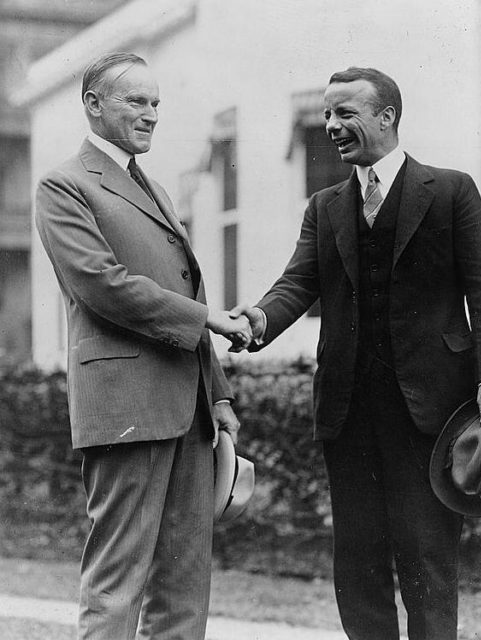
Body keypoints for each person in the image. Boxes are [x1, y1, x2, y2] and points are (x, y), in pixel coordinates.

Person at [231, 67, 481, 640]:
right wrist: (257, 320)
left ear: (387, 117)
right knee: (356, 562)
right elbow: (296, 285)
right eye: (327, 114)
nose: (331, 125)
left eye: (345, 113)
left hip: (431, 415)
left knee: (427, 558)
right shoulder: (325, 206)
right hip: (348, 411)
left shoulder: (451, 191)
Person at [35, 52, 251, 640]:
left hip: (191, 414)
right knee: (118, 583)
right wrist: (210, 319)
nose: (152, 113)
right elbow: (103, 285)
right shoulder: (65, 185)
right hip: (126, 410)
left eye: (156, 102)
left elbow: (186, 285)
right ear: (93, 105)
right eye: (137, 101)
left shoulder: (151, 186)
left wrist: (222, 400)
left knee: (184, 588)